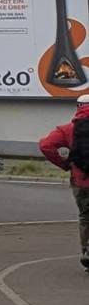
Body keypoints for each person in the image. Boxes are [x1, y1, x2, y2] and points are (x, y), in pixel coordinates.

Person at [40, 98, 89, 270]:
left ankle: (86, 251)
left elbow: (45, 145)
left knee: (85, 217)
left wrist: (65, 163)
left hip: (80, 180)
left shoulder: (68, 129)